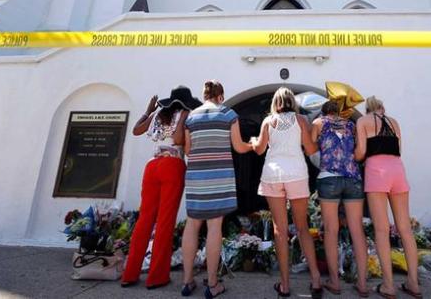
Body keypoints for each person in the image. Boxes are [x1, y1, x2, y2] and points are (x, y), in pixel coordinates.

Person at [121, 86, 201, 289]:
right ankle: (156, 276)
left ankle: (130, 273)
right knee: (165, 221)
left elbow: (136, 130)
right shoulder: (184, 114)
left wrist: (148, 111)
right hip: (172, 163)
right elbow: (178, 140)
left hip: (152, 164)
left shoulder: (158, 113)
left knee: (144, 220)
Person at [180, 80, 253, 298]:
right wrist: (253, 144)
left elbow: (188, 150)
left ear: (204, 96)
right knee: (214, 227)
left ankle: (186, 281)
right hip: (219, 177)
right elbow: (239, 146)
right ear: (220, 96)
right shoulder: (228, 114)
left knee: (192, 225)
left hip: (195, 176)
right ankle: (212, 284)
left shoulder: (191, 117)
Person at [251, 87, 323, 299]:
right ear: (292, 101)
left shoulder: (268, 121)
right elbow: (311, 150)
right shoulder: (301, 120)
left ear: (275, 103)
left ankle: (284, 285)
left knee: (280, 231)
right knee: (302, 228)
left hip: (273, 175)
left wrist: (255, 140)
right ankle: (316, 279)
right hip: (297, 174)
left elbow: (259, 149)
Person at [354, 96, 422, 299]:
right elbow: (398, 150)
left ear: (367, 109)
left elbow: (361, 153)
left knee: (382, 229)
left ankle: (389, 285)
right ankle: (413, 283)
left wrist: (353, 156)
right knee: (405, 230)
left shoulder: (363, 121)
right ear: (383, 108)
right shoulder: (394, 122)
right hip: (398, 171)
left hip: (377, 172)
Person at [311, 101, 369, 297]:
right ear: (338, 112)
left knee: (331, 230)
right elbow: (359, 152)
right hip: (353, 178)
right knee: (357, 231)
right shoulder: (351, 125)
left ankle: (335, 282)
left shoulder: (319, 123)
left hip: (329, 178)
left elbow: (311, 148)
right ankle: (362, 284)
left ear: (324, 111)